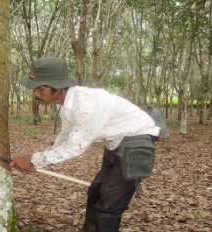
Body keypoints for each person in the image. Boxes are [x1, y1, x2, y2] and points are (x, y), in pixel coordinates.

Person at [10, 57, 160, 232]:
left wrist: (34, 160)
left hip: (136, 140)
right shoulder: (66, 103)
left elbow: (75, 146)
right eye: (35, 88)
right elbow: (66, 133)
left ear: (58, 86)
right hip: (115, 141)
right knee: (96, 190)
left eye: (40, 87)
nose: (36, 93)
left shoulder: (86, 104)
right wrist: (43, 159)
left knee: (111, 200)